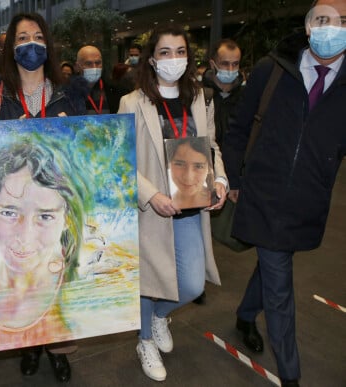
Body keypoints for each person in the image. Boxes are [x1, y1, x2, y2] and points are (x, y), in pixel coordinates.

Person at [222, 2, 346, 386]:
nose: (332, 28)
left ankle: (245, 316)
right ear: (308, 26)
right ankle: (291, 375)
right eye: (324, 19)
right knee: (279, 283)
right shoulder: (271, 70)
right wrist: (234, 180)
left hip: (309, 200)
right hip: (262, 195)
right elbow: (239, 128)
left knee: (273, 261)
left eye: (343, 21)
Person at [0, 12, 88, 383]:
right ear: (11, 47)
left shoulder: (68, 94)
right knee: (20, 272)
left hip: (51, 206)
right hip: (14, 203)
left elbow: (83, 150)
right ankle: (28, 343)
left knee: (54, 273)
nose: (31, 44)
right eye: (22, 37)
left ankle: (56, 348)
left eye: (38, 36)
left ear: (49, 44)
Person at [117, 23, 227, 382]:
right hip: (152, 211)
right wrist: (150, 195)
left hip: (191, 205)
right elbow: (120, 161)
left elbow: (210, 147)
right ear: (151, 59)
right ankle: (144, 340)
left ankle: (160, 317)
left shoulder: (199, 97)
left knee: (193, 285)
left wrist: (220, 180)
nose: (173, 59)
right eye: (165, 52)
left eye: (180, 52)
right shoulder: (132, 102)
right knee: (150, 280)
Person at [0, 138, 88, 351]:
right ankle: (30, 352)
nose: (25, 236)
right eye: (9, 213)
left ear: (66, 219)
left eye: (45, 216)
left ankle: (55, 353)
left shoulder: (89, 281)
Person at [202, 38, 244, 147]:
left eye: (235, 64)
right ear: (212, 64)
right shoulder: (199, 95)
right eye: (225, 63)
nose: (230, 69)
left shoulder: (246, 97)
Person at [166, 137, 214, 210]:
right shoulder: (163, 201)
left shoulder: (213, 200)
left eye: (198, 166)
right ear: (169, 164)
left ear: (209, 169)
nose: (188, 177)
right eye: (179, 164)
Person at [76, 45, 125, 114]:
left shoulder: (116, 90)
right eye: (88, 63)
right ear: (78, 67)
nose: (94, 67)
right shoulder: (66, 93)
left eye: (98, 63)